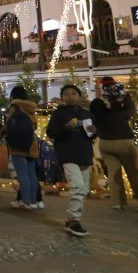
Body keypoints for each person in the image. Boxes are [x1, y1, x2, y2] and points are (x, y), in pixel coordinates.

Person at [90, 77, 138, 211]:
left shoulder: (98, 107)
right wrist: (124, 98)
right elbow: (131, 111)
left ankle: (118, 202)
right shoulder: (120, 108)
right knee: (132, 172)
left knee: (113, 173)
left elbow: (93, 117)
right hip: (124, 141)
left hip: (105, 142)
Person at [46, 84, 96, 237]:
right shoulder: (58, 114)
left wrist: (94, 132)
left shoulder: (86, 113)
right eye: (66, 94)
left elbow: (92, 134)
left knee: (84, 189)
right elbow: (51, 132)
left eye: (73, 93)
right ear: (62, 97)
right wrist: (65, 127)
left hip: (84, 154)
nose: (70, 96)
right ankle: (74, 220)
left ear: (79, 96)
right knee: (78, 186)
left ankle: (73, 219)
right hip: (67, 154)